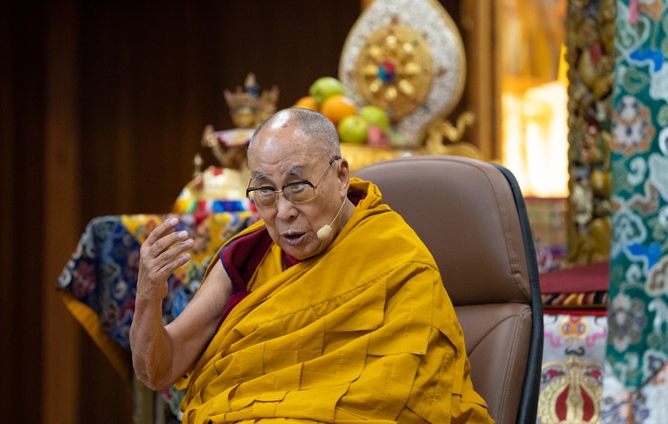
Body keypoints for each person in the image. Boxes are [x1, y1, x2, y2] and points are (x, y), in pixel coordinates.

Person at [130, 108, 492, 423]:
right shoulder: (248, 257)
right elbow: (159, 369)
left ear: (341, 176)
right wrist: (149, 296)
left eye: (298, 186)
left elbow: (409, 397)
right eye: (266, 192)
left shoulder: (397, 259)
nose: (283, 211)